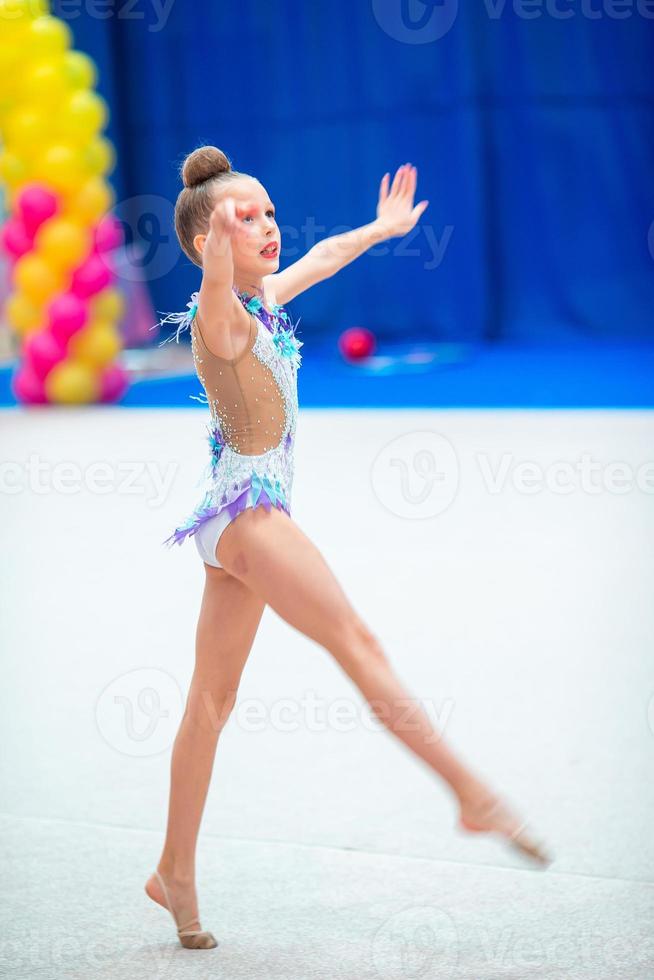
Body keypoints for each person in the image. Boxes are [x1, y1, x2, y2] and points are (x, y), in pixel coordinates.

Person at [145, 146, 552, 950]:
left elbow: (324, 256)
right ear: (206, 246)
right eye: (243, 218)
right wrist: (218, 261)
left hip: (229, 521)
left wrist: (383, 227)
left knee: (209, 702)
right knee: (357, 641)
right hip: (253, 515)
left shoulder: (264, 300)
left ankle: (173, 871)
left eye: (266, 211)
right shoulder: (220, 314)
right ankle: (468, 790)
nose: (265, 226)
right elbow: (218, 292)